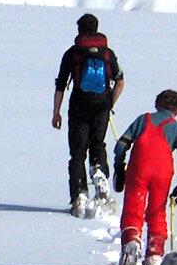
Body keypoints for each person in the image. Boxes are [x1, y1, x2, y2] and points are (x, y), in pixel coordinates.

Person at [111, 90, 177, 265]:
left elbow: (121, 145)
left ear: (157, 104)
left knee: (133, 209)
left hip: (138, 169)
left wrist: (119, 165)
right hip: (162, 173)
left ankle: (131, 242)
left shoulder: (143, 120)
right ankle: (155, 258)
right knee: (157, 212)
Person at [52, 13, 124, 218]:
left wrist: (56, 112)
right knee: (97, 143)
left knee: (77, 152)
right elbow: (120, 81)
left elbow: (60, 85)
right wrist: (110, 103)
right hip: (102, 105)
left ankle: (79, 195)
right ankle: (99, 172)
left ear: (79, 30)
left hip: (78, 106)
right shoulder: (107, 53)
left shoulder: (73, 53)